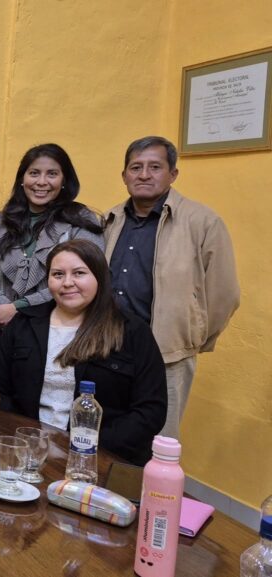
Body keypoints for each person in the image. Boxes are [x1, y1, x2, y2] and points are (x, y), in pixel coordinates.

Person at [103, 136, 239, 439]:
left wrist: (190, 336)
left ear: (173, 174)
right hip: (109, 348)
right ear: (124, 175)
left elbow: (225, 295)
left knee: (159, 442)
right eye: (135, 167)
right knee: (110, 437)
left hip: (167, 354)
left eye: (155, 167)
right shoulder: (111, 220)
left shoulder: (202, 222)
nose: (144, 175)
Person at [0, 239, 167, 465]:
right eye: (58, 274)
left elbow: (150, 410)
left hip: (100, 459)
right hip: (27, 452)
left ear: (99, 277)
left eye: (79, 273)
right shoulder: (24, 323)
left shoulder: (131, 330)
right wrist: (25, 439)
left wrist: (84, 448)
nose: (67, 283)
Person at [0, 143, 104, 358]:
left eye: (52, 174)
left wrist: (19, 307)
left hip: (58, 332)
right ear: (22, 179)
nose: (42, 182)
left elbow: (84, 276)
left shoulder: (82, 221)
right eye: (34, 173)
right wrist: (1, 307)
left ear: (64, 180)